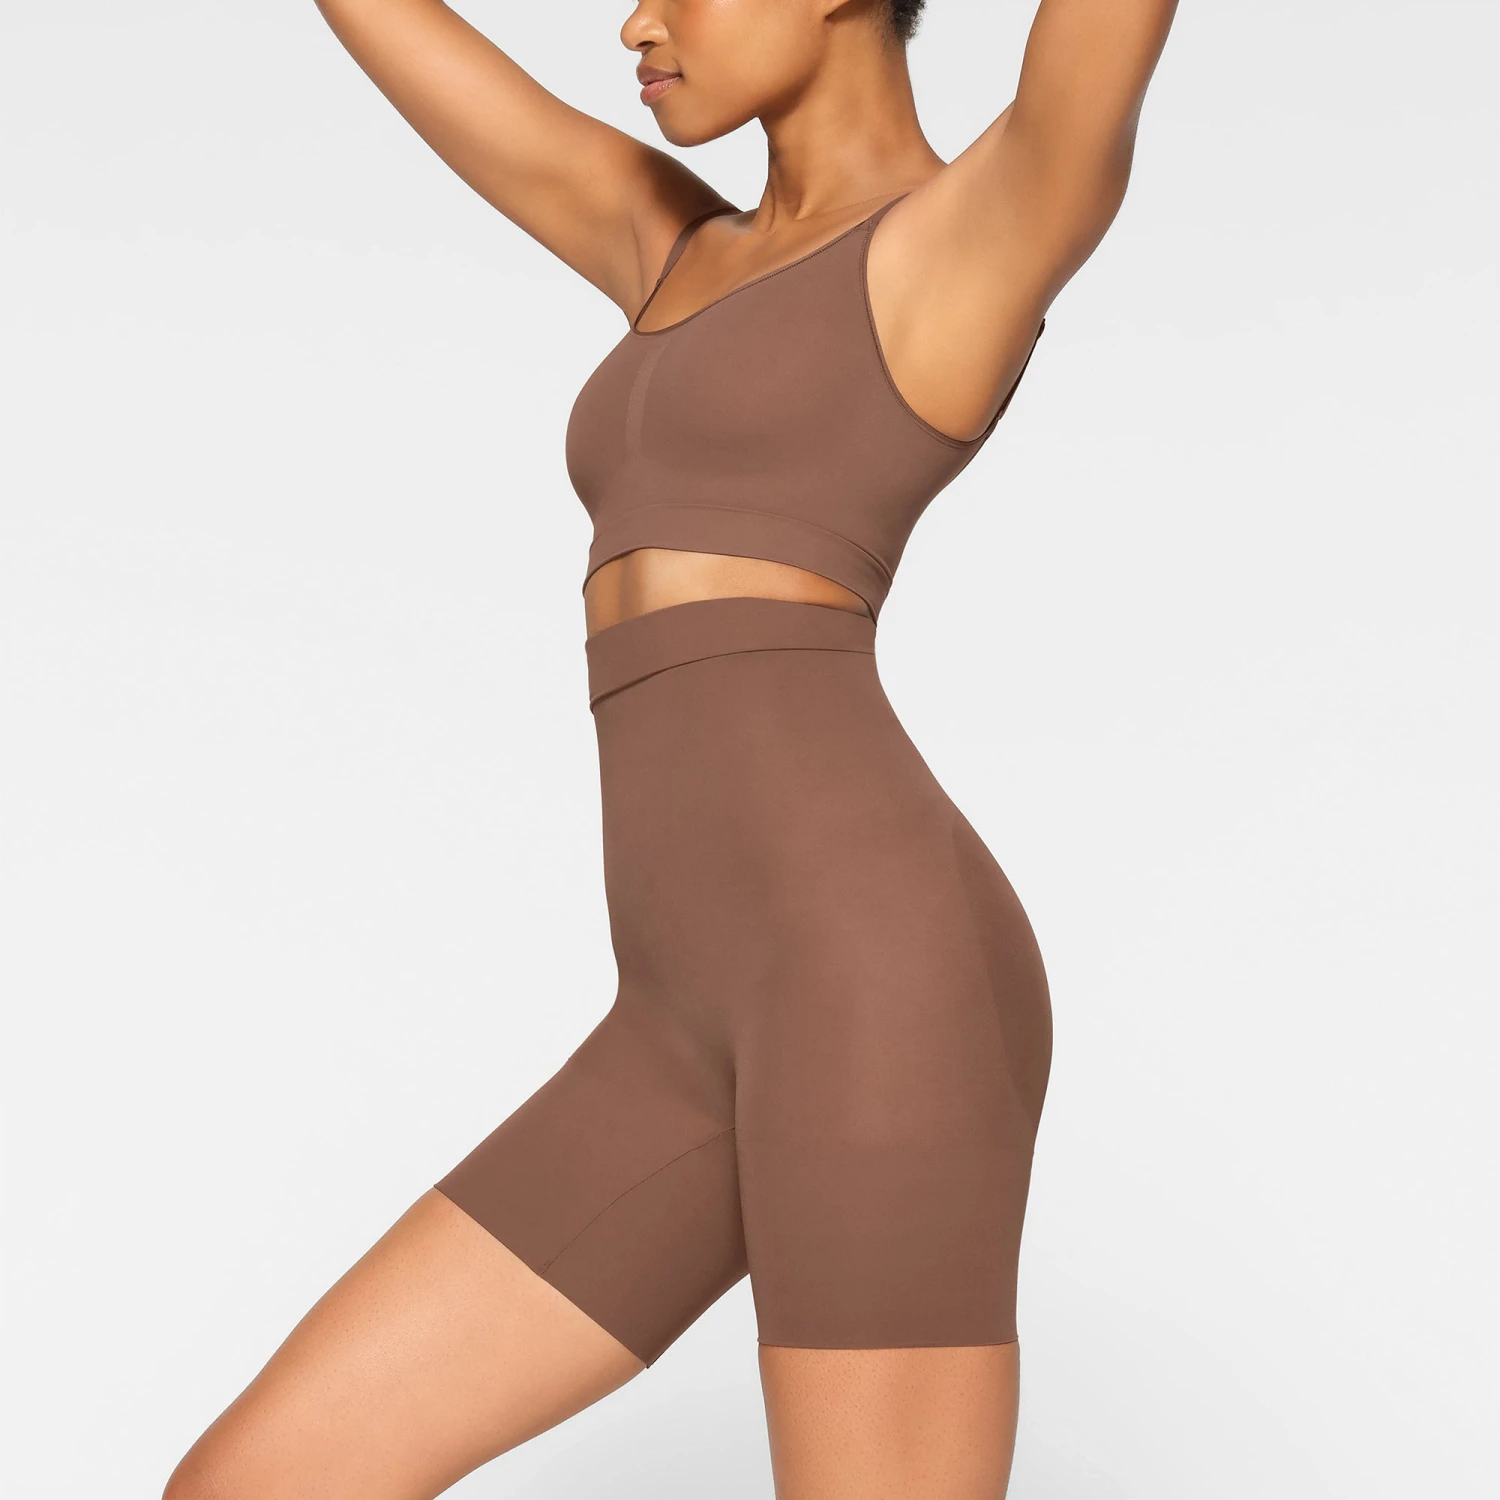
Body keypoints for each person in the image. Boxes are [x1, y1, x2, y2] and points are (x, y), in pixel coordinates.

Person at [163, 1, 1176, 1495]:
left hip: (879, 990)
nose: (636, 20)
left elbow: (1097, 52)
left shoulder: (975, 232)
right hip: (677, 1017)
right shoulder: (673, 246)